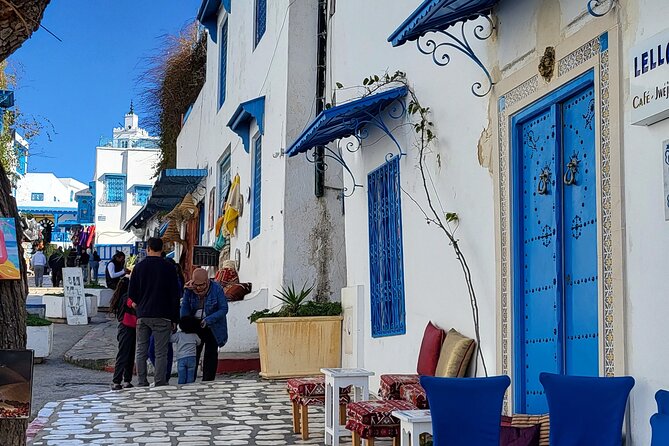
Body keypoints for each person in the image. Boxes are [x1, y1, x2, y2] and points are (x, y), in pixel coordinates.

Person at [130, 237, 180, 387]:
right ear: (162, 249)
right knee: (161, 352)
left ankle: (142, 380)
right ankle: (159, 381)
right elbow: (174, 295)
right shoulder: (169, 268)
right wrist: (174, 319)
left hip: (143, 314)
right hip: (163, 315)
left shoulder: (139, 267)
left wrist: (139, 306)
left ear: (148, 249)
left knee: (141, 350)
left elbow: (132, 293)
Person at [181, 268, 229, 381]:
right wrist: (187, 292)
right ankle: (190, 380)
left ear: (207, 282)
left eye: (202, 285)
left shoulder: (217, 289)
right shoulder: (189, 290)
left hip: (212, 324)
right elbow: (184, 311)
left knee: (211, 353)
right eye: (196, 285)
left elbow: (224, 309)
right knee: (193, 352)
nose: (199, 288)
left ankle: (208, 380)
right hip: (196, 325)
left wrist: (208, 320)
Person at [146, 258, 184, 383]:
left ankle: (163, 375)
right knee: (161, 349)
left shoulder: (175, 282)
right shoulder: (168, 280)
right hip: (159, 317)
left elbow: (174, 302)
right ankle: (163, 374)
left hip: (167, 319)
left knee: (158, 349)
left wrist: (174, 320)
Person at [109, 277, 136, 390]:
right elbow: (134, 305)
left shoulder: (120, 297)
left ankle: (123, 380)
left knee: (125, 354)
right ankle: (120, 380)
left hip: (124, 328)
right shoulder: (127, 297)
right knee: (127, 355)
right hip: (128, 328)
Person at [171, 316, 201, 384]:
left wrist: (172, 330)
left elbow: (170, 339)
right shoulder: (195, 335)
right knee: (191, 375)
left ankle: (181, 388)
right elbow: (199, 342)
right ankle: (190, 386)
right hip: (192, 358)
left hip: (181, 358)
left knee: (181, 376)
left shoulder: (178, 335)